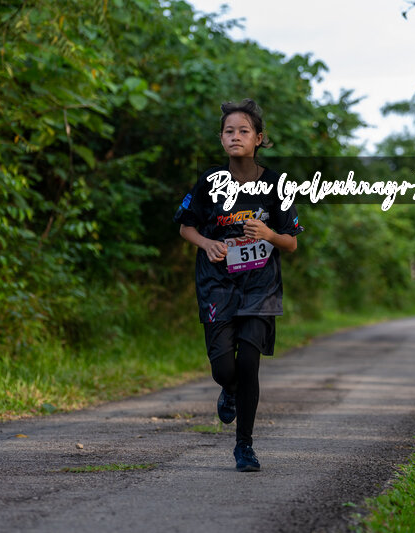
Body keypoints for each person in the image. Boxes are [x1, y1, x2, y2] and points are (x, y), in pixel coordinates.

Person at [176, 99, 302, 472]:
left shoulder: (277, 184)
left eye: (244, 131)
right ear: (221, 139)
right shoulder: (209, 182)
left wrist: (268, 234)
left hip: (260, 286)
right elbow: (186, 226)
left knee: (248, 362)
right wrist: (207, 243)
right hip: (216, 283)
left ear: (258, 138)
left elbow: (291, 242)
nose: (236, 136)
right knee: (223, 369)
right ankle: (228, 390)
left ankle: (244, 446)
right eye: (229, 131)